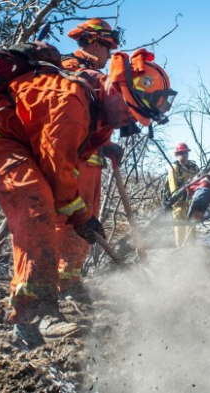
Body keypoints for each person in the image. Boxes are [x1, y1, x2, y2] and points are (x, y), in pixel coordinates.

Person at [0, 48, 175, 347]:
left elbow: (71, 165)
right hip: (0, 141)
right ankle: (33, 313)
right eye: (128, 111)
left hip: (27, 145)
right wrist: (81, 216)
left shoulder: (100, 112)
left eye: (134, 117)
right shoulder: (73, 102)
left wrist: (83, 215)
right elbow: (57, 170)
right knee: (35, 206)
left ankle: (42, 306)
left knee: (55, 211)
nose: (125, 121)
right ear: (116, 89)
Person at [55, 18, 123, 297]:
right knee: (70, 224)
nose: (109, 56)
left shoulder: (90, 72)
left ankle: (71, 279)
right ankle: (60, 282)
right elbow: (68, 121)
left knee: (87, 225)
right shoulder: (70, 69)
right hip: (74, 164)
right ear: (95, 43)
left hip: (92, 164)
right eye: (108, 49)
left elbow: (92, 121)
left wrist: (105, 145)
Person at [167, 143, 200, 247]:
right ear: (177, 154)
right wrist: (175, 199)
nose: (184, 155)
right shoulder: (175, 167)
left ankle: (192, 248)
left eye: (185, 153)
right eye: (181, 153)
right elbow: (173, 186)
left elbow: (200, 181)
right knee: (180, 225)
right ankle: (180, 249)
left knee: (191, 224)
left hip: (192, 200)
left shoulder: (194, 167)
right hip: (179, 202)